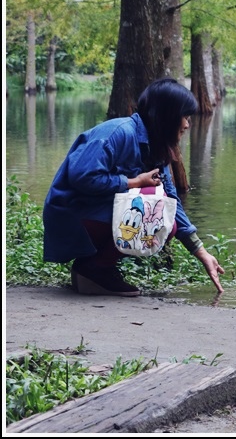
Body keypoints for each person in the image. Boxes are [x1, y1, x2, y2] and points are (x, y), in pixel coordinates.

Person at [43, 78, 225, 297]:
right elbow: (82, 177)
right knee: (150, 208)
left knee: (165, 216)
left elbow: (171, 201)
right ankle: (93, 270)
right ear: (166, 116)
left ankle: (94, 268)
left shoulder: (158, 147)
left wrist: (201, 252)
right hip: (70, 216)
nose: (187, 125)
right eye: (184, 117)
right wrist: (134, 183)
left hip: (93, 215)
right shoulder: (117, 132)